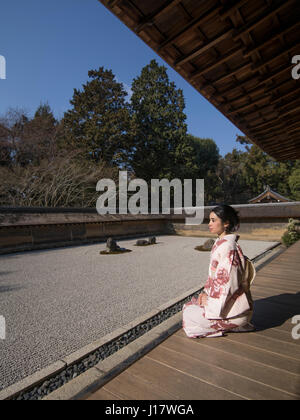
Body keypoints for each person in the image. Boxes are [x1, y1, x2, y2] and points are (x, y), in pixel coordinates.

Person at [182, 204, 255, 338]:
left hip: (232, 311)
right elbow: (214, 278)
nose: (209, 224)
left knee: (189, 315)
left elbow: (228, 284)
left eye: (213, 220)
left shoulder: (228, 247)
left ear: (226, 223)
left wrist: (209, 304)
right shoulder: (220, 243)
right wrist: (205, 293)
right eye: (209, 220)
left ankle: (235, 325)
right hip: (220, 302)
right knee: (188, 307)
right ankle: (225, 324)